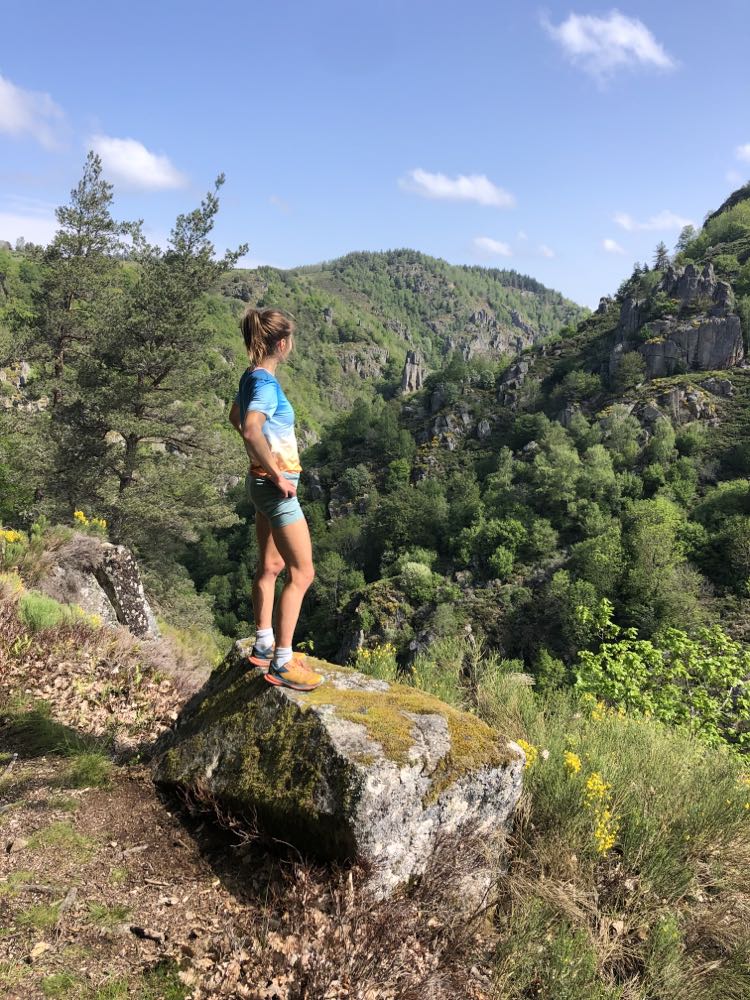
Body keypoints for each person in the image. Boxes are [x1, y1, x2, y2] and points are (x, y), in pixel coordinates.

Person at [228, 307, 323, 692]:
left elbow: (235, 416)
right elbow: (250, 429)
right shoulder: (267, 384)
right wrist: (276, 472)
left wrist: (260, 464)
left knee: (269, 564)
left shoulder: (251, 376)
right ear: (282, 344)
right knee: (302, 573)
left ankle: (264, 641)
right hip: (276, 490)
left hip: (259, 484)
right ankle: (283, 661)